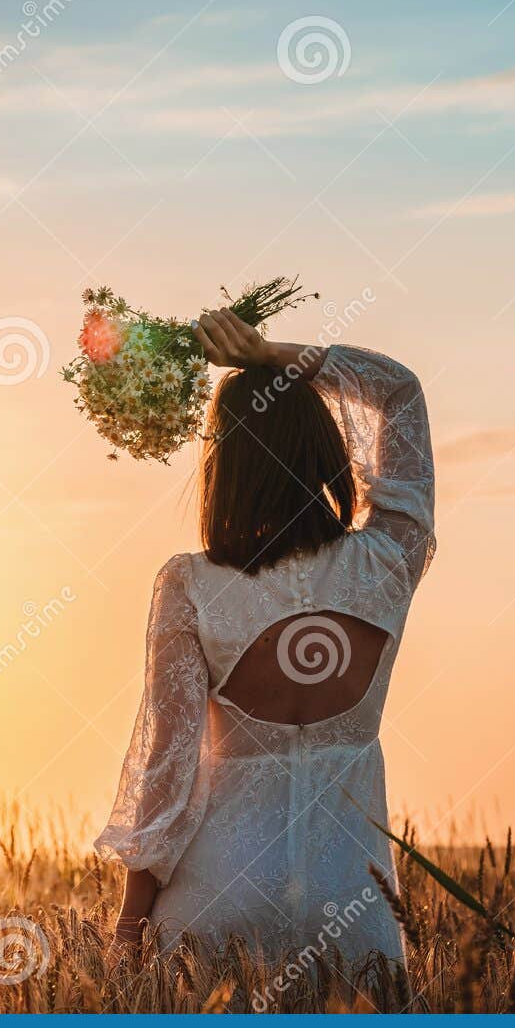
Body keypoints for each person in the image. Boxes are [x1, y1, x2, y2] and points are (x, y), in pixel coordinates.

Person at [95, 309, 436, 964]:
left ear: (224, 460)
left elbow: (166, 771)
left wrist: (129, 929)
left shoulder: (190, 584)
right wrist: (277, 356)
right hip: (354, 914)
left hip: (217, 904)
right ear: (324, 448)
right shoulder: (388, 561)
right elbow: (399, 393)